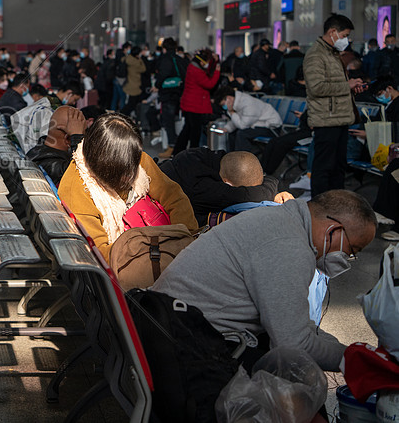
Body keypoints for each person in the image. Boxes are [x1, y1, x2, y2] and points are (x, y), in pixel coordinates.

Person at [153, 189, 376, 372]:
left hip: (170, 325)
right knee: (297, 384)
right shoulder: (289, 247)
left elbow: (297, 324)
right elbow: (294, 345)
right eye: (352, 250)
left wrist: (348, 350)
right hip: (187, 346)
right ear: (333, 230)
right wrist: (360, 362)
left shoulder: (283, 219)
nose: (348, 259)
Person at [57, 113, 198, 267]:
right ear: (106, 166)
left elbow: (175, 197)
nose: (132, 174)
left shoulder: (132, 157)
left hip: (163, 248)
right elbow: (101, 254)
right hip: (131, 264)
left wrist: (185, 241)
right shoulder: (77, 188)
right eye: (125, 171)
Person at [303, 14, 364, 196]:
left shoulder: (333, 54)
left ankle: (337, 204)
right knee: (324, 168)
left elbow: (333, 86)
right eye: (344, 35)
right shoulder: (316, 55)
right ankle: (320, 208)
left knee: (338, 167)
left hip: (340, 118)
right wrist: (347, 85)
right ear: (333, 32)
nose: (346, 40)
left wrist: (351, 89)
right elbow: (316, 87)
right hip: (326, 120)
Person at [160, 148, 291, 225]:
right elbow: (246, 195)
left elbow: (249, 170)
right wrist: (273, 191)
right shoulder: (204, 189)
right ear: (227, 183)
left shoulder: (211, 158)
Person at [173, 48, 220, 155]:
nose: (207, 64)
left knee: (188, 129)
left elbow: (207, 70)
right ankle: (192, 153)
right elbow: (209, 83)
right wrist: (217, 72)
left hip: (190, 104)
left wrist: (215, 61)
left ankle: (178, 152)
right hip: (194, 105)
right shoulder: (196, 71)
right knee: (194, 131)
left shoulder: (193, 67)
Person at [26, 106, 85, 186]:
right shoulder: (57, 168)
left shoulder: (36, 151)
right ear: (68, 139)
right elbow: (83, 175)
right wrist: (77, 139)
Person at [213, 86, 282, 152]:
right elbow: (238, 120)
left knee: (242, 134)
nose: (224, 107)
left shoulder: (247, 103)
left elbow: (242, 125)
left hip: (271, 127)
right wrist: (226, 129)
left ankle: (242, 160)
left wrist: (231, 112)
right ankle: (232, 158)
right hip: (258, 125)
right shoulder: (237, 103)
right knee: (232, 134)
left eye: (223, 104)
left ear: (229, 98)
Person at [154, 38, 188, 159]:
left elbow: (162, 75)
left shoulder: (165, 60)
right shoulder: (179, 59)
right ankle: (179, 145)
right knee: (180, 120)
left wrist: (157, 85)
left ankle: (172, 146)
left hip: (168, 94)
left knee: (168, 121)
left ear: (164, 48)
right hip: (179, 93)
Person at [119, 45, 147, 118]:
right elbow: (143, 69)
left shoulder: (127, 59)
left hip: (128, 84)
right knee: (131, 104)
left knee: (129, 103)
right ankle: (122, 116)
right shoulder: (135, 62)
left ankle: (123, 115)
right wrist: (140, 59)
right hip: (134, 86)